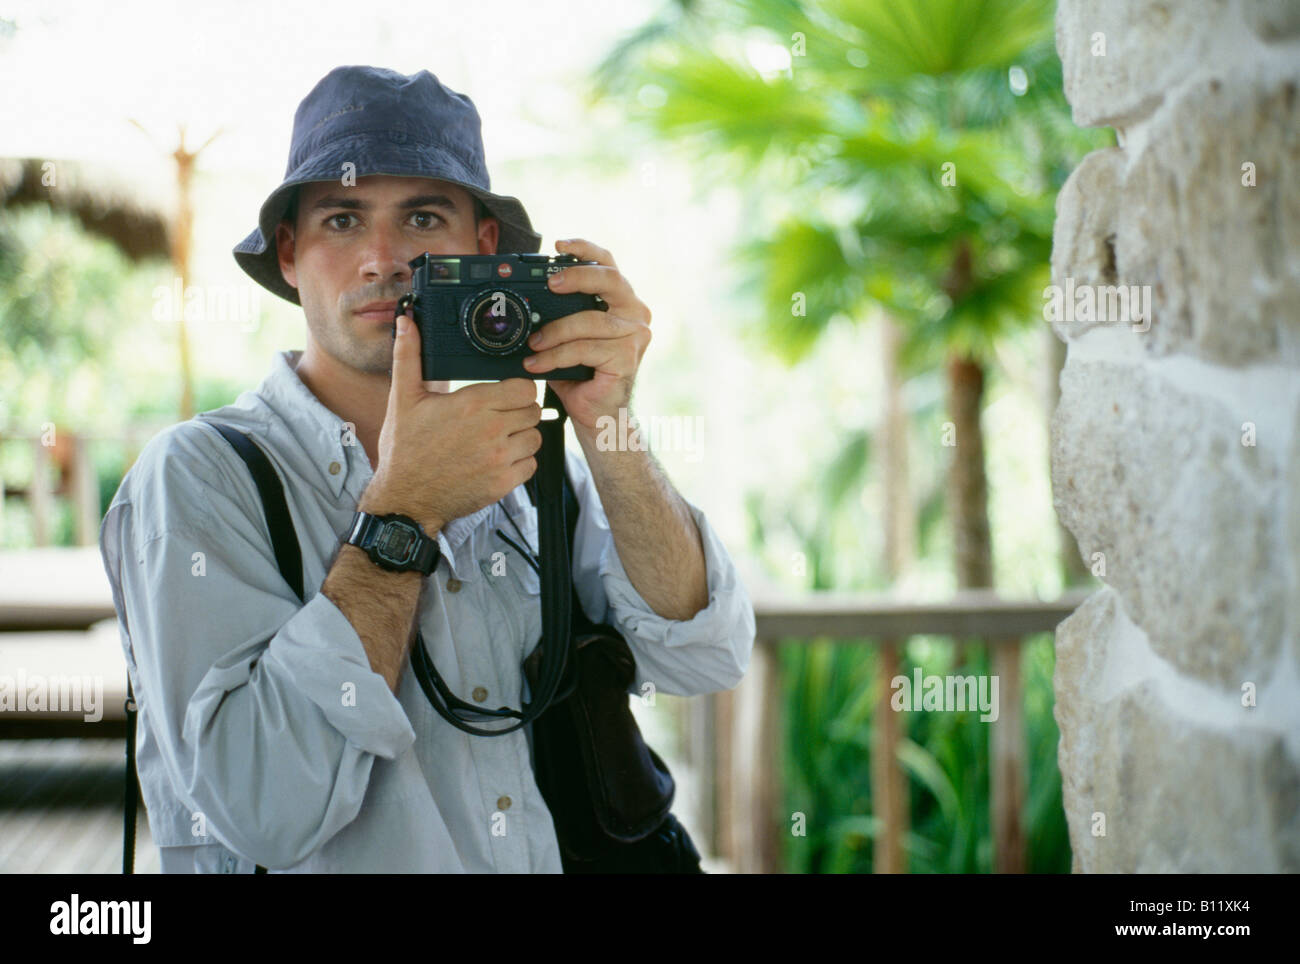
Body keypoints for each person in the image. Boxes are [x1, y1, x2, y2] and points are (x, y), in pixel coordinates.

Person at [98, 65, 756, 873]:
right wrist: (405, 512)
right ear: (292, 254)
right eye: (342, 219)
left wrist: (606, 422)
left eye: (422, 217)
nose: (383, 258)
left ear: (481, 248)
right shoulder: (199, 479)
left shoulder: (525, 463)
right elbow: (262, 806)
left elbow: (704, 656)